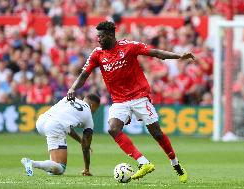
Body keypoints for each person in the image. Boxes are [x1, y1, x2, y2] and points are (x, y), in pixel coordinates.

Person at [66, 21, 195, 183]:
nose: (98, 40)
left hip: (139, 96)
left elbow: (155, 53)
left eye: (100, 36)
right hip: (119, 101)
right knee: (113, 129)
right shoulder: (97, 54)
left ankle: (176, 164)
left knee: (156, 133)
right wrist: (72, 88)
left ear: (110, 35)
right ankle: (144, 163)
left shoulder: (129, 46)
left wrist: (179, 56)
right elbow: (84, 74)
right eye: (97, 36)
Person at [21, 93, 100, 176]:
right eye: (96, 108)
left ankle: (50, 169)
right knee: (60, 167)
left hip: (41, 121)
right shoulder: (88, 116)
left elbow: (68, 128)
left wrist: (80, 141)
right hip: (55, 126)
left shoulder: (69, 99)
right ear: (92, 105)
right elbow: (86, 145)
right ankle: (31, 163)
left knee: (55, 165)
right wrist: (86, 169)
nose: (94, 111)